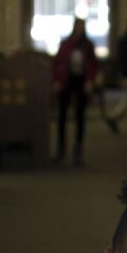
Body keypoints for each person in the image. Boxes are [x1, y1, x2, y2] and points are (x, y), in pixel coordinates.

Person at [52, 16, 99, 167]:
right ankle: (60, 150)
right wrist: (57, 81)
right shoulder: (66, 44)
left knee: (80, 117)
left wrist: (90, 81)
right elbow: (57, 62)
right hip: (66, 81)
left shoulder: (88, 46)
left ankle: (77, 152)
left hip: (81, 81)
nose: (79, 30)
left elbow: (93, 64)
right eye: (77, 27)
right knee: (62, 117)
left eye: (82, 27)